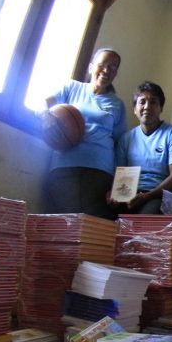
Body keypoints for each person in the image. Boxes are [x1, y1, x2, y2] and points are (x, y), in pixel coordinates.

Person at [41, 48, 126, 219]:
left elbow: (121, 146)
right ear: (91, 66)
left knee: (91, 225)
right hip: (64, 165)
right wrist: (48, 120)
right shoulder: (71, 87)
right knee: (61, 222)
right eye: (102, 64)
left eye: (112, 67)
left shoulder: (117, 104)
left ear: (116, 73)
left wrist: (118, 186)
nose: (106, 70)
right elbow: (46, 105)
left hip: (100, 172)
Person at [111, 81, 172, 215]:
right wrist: (114, 194)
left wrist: (146, 196)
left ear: (161, 108)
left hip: (157, 195)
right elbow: (119, 176)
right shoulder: (126, 139)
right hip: (128, 194)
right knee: (106, 219)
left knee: (143, 220)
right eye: (142, 102)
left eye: (153, 102)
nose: (147, 107)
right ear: (135, 109)